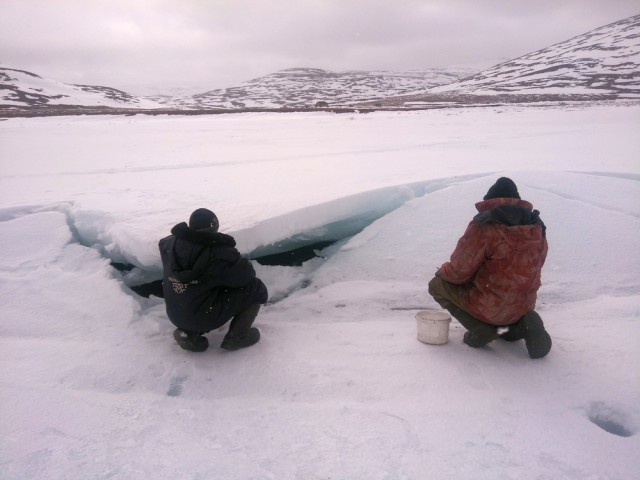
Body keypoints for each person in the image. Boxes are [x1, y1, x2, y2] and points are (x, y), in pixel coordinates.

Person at [428, 177, 552, 359]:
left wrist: (442, 270)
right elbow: (535, 265)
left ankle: (482, 330)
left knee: (436, 285)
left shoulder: (484, 226)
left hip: (489, 306)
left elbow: (458, 272)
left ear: (489, 201)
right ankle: (524, 324)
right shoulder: (536, 227)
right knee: (506, 330)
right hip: (521, 306)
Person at [158, 208, 268, 352]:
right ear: (214, 227)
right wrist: (235, 260)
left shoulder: (168, 245)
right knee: (256, 288)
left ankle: (189, 334)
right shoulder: (219, 253)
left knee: (202, 287)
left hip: (176, 314)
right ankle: (237, 337)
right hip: (204, 317)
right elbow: (247, 276)